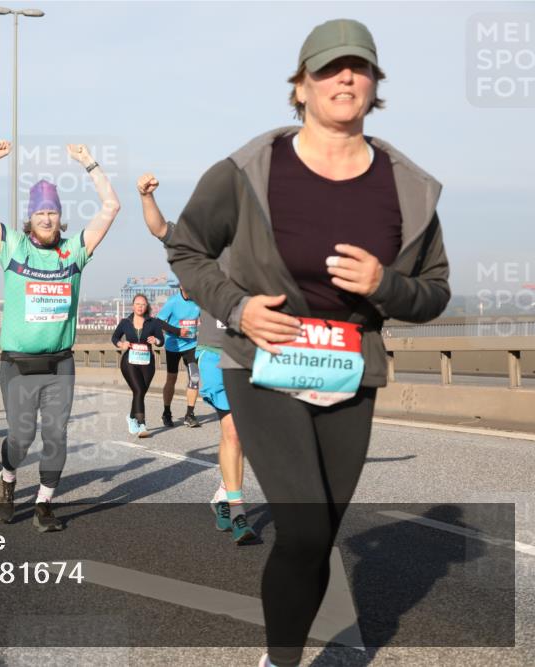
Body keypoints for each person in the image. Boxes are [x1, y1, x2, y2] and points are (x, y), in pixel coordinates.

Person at [165, 19, 450, 667]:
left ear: (375, 84)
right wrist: (237, 307)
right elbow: (187, 247)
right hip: (262, 359)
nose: (344, 76)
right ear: (300, 87)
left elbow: (434, 292)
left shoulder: (407, 185)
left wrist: (384, 285)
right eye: (327, 68)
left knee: (320, 535)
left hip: (349, 366)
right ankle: (281, 661)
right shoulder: (247, 170)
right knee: (302, 527)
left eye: (359, 67)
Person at [0, 140, 120, 532]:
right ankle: (7, 478)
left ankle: (44, 503)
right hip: (18, 364)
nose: (47, 219)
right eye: (40, 213)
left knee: (55, 436)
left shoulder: (74, 251)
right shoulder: (13, 247)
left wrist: (89, 162)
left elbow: (111, 206)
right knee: (21, 436)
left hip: (60, 363)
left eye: (52, 212)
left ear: (60, 217)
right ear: (29, 219)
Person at [138, 172, 257, 544]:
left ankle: (223, 493)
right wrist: (146, 197)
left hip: (256, 353)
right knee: (233, 430)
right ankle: (238, 512)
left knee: (250, 436)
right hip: (215, 352)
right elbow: (159, 229)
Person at [110, 294, 166, 436]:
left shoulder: (153, 322)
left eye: (143, 304)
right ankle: (142, 425)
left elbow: (161, 340)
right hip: (130, 362)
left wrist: (156, 340)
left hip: (147, 363)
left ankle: (131, 417)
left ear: (147, 306)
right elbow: (114, 337)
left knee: (139, 393)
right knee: (139, 391)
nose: (140, 307)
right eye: (138, 304)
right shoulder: (125, 322)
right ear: (133, 306)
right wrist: (121, 344)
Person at [157, 286, 202, 427]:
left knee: (195, 377)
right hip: (173, 346)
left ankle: (190, 414)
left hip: (191, 346)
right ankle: (166, 412)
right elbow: (159, 321)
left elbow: (207, 319)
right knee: (172, 379)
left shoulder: (198, 301)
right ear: (181, 286)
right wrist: (177, 331)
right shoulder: (173, 302)